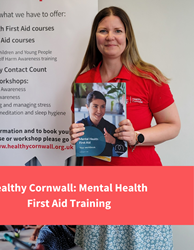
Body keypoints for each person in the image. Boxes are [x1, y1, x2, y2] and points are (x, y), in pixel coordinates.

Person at [69, 6, 180, 250]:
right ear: (95, 37)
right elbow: (84, 130)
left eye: (117, 30)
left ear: (127, 36)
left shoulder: (149, 77)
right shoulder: (83, 82)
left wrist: (137, 136)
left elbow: (173, 126)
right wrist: (76, 133)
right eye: (103, 30)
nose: (110, 36)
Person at [77, 90, 127, 156]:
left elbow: (123, 151)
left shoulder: (111, 128)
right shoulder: (80, 126)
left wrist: (113, 141)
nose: (99, 111)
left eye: (102, 106)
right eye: (95, 106)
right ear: (87, 107)